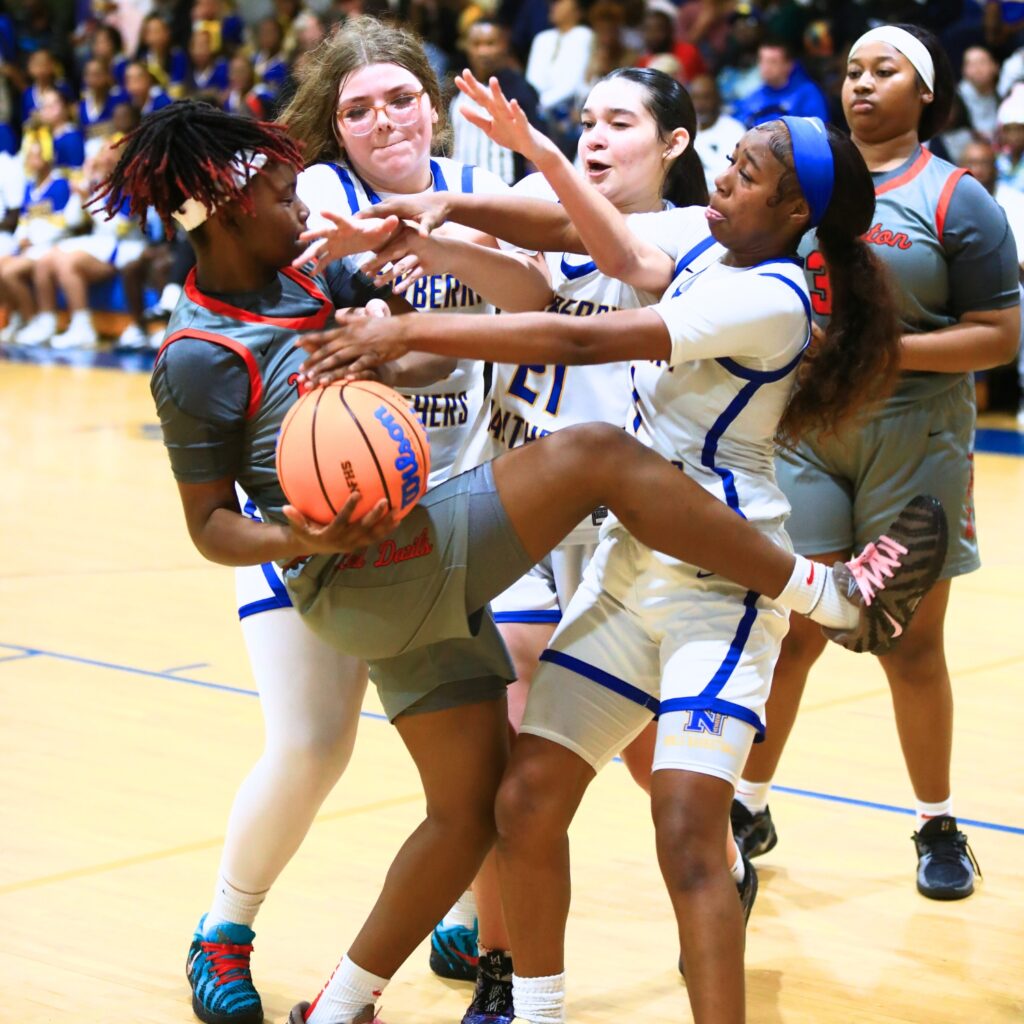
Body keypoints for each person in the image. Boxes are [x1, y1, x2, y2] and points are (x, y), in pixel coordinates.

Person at [106, 101, 942, 1024]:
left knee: (493, 811)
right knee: (593, 462)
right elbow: (210, 525)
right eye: (279, 193)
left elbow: (568, 310)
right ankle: (830, 596)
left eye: (743, 169)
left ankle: (340, 1008)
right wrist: (305, 526)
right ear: (226, 210)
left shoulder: (756, 283)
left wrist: (402, 321)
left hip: (632, 571)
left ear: (792, 214)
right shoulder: (196, 353)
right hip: (398, 565)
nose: (302, 206)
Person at [173, 17, 549, 1024]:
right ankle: (223, 928)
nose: (381, 119)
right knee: (311, 743)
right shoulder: (313, 209)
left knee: (492, 737)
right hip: (312, 516)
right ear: (331, 130)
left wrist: (428, 318)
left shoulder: (483, 193)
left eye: (397, 98)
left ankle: (482, 921)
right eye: (355, 107)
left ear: (432, 101)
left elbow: (498, 326)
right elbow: (358, 348)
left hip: (444, 505)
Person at [733, 23, 1020, 903]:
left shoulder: (956, 198)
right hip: (812, 433)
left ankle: (938, 823)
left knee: (910, 645)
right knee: (794, 637)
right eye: (852, 71)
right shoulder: (806, 186)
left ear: (925, 92)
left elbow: (1003, 335)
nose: (861, 85)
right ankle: (749, 803)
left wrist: (882, 351)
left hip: (916, 435)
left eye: (883, 71)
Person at [26, 136, 147, 349]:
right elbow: (73, 219)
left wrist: (89, 201)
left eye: (110, 150)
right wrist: (85, 183)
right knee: (45, 260)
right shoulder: (96, 182)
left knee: (68, 262)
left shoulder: (130, 183)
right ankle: (47, 321)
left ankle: (83, 326)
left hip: (126, 248)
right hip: (101, 244)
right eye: (102, 150)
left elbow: (119, 226)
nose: (104, 155)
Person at [450, 18, 542, 185]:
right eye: (476, 44)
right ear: (466, 46)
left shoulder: (521, 90)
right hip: (460, 190)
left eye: (490, 43)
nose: (483, 51)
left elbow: (537, 148)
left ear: (503, 45)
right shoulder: (456, 89)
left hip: (506, 190)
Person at [733, 37, 829, 128]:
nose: (766, 67)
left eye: (772, 62)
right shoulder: (751, 98)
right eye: (762, 60)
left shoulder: (808, 94)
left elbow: (819, 132)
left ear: (789, 65)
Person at [690, 73, 745, 192]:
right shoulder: (685, 131)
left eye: (706, 97)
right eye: (695, 97)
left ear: (717, 99)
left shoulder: (733, 129)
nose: (700, 104)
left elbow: (732, 174)